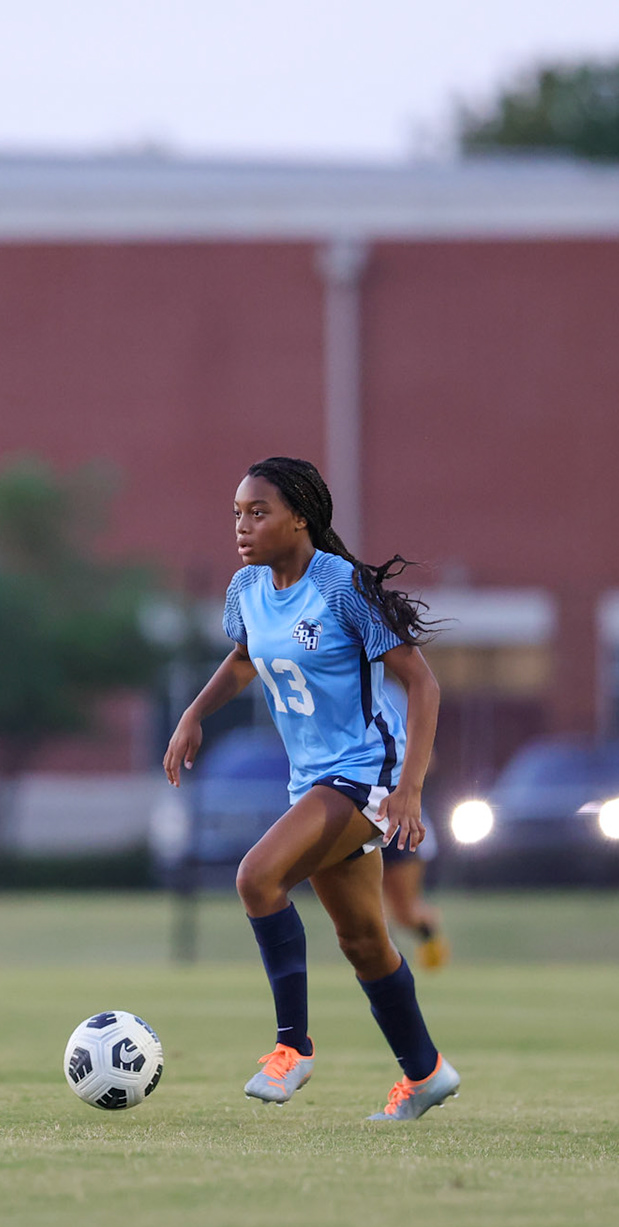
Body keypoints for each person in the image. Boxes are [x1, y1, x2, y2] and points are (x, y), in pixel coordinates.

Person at [163, 456, 459, 1121]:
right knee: (362, 941)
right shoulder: (246, 590)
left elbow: (423, 684)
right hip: (315, 782)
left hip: (366, 771)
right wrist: (192, 715)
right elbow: (245, 659)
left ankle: (292, 1047)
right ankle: (426, 1071)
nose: (243, 526)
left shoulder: (342, 585)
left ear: (300, 515)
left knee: (255, 878)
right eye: (237, 513)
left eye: (259, 512)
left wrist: (409, 789)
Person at [383, 840, 450, 970]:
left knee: (404, 913)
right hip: (364, 831)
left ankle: (431, 941)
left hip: (398, 833)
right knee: (372, 907)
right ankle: (382, 962)